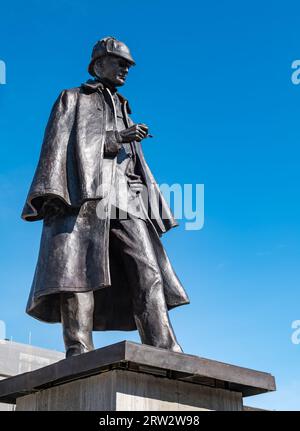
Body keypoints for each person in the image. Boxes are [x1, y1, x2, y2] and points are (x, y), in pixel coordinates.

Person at [22, 37, 190, 357]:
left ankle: (164, 348)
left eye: (128, 65)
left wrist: (146, 196)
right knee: (77, 273)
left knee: (148, 269)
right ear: (99, 65)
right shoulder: (72, 99)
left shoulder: (124, 106)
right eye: (119, 62)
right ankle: (78, 349)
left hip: (124, 198)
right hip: (82, 198)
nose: (126, 69)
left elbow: (133, 163)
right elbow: (60, 149)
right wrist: (118, 137)